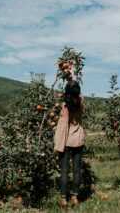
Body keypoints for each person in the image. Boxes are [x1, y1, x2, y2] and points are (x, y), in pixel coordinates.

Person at [53, 74, 86, 208]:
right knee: (77, 170)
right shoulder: (81, 102)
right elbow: (76, 94)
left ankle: (63, 199)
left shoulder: (64, 106)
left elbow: (61, 126)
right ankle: (75, 197)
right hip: (78, 140)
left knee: (64, 171)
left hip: (66, 141)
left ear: (66, 92)